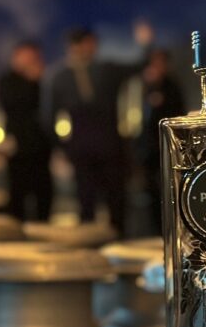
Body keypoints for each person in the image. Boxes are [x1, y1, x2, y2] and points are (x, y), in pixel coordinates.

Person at [45, 22, 153, 234]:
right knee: (89, 201)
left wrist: (146, 44)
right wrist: (64, 147)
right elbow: (48, 117)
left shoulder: (105, 70)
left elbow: (140, 65)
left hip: (104, 144)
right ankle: (93, 247)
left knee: (112, 200)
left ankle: (113, 244)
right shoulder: (61, 77)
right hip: (88, 146)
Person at [0, 41, 53, 221]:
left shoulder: (44, 81)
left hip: (41, 145)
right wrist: (31, 80)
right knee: (18, 192)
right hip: (18, 147)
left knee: (44, 191)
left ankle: (43, 229)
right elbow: (13, 104)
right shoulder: (7, 80)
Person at [137, 48, 185, 234]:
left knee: (171, 189)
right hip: (147, 149)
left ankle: (173, 229)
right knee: (150, 193)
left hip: (168, 147)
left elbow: (178, 114)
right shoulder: (141, 86)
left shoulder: (173, 86)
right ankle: (154, 230)